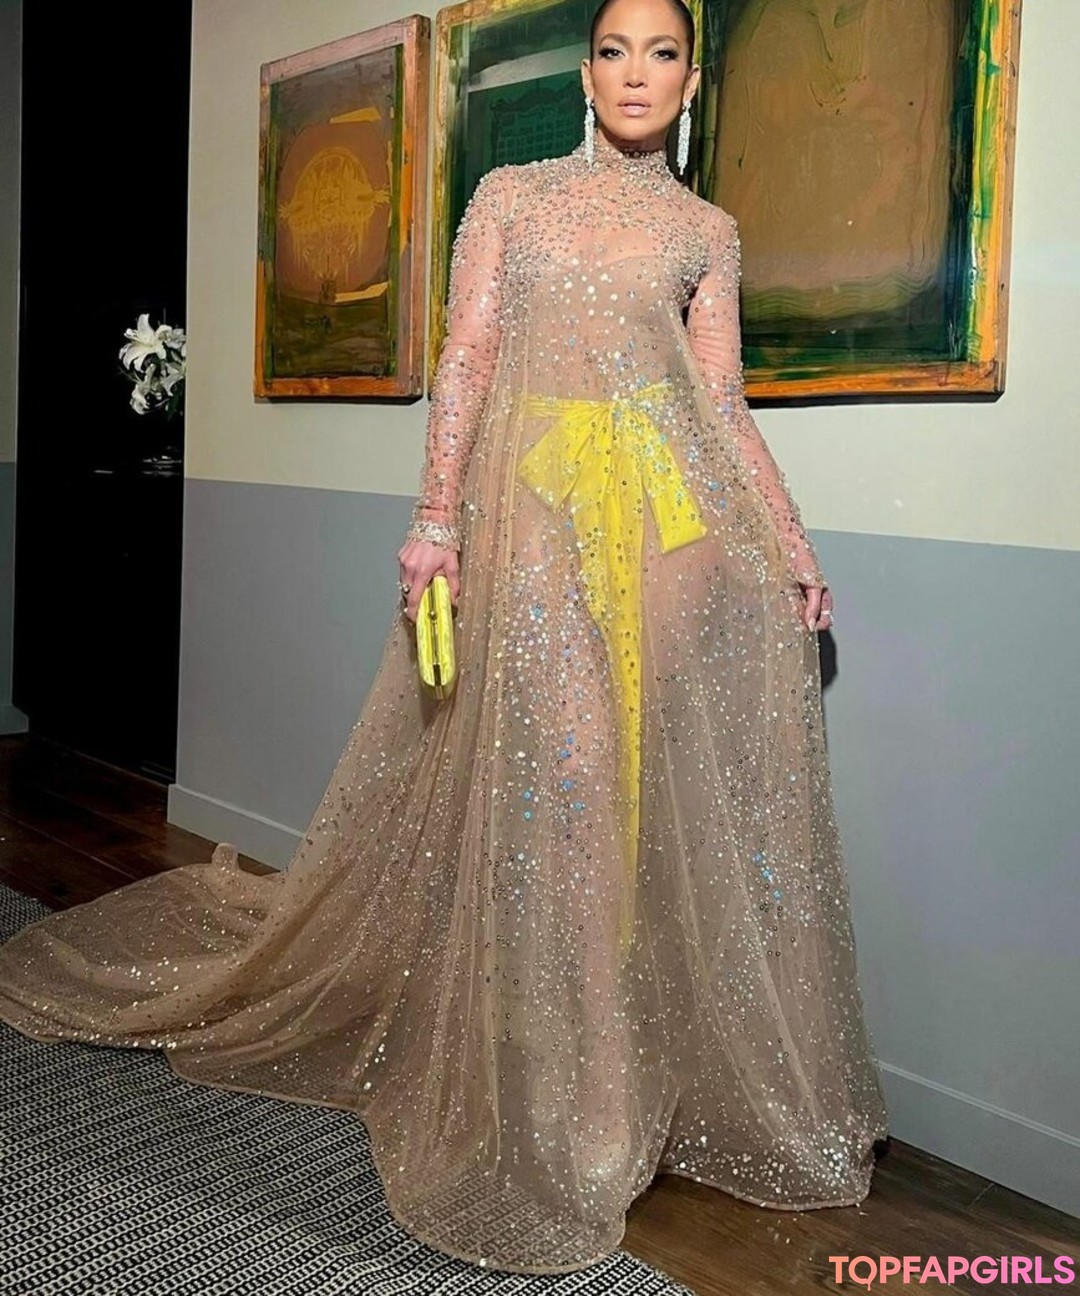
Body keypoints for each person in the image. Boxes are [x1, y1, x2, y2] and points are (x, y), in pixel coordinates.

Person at [0, 0, 889, 1275]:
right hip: (534, 523)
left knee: (641, 811)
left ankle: (629, 1075)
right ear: (587, 73)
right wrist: (435, 521)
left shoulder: (706, 230)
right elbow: (466, 356)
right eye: (614, 50)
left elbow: (722, 405)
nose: (636, 73)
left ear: (692, 83)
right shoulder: (512, 197)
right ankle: (568, 1105)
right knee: (569, 800)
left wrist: (792, 547)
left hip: (671, 534)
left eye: (663, 54)